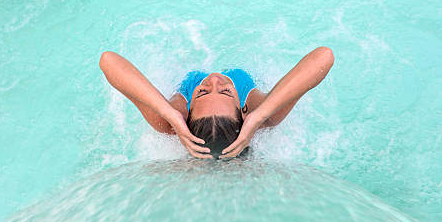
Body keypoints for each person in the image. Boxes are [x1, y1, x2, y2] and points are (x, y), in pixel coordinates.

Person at [99, 47, 334, 159]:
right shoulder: (259, 111)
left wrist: (169, 115)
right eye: (225, 92)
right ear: (243, 108)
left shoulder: (171, 117)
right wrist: (259, 116)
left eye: (201, 93)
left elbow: (108, 61)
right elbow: (324, 56)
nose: (212, 80)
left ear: (187, 112)